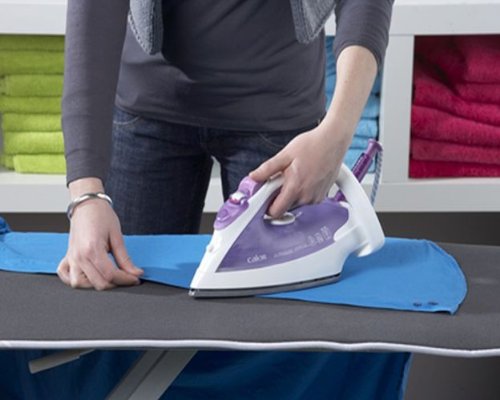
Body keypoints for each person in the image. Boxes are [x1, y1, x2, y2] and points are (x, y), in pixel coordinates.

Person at [56, 0, 410, 399]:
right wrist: (85, 194)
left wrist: (337, 133)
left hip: (278, 113)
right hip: (145, 109)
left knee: (279, 347)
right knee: (125, 327)